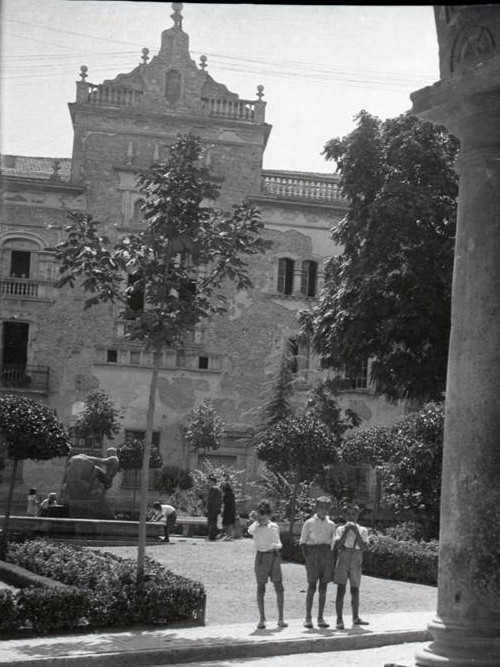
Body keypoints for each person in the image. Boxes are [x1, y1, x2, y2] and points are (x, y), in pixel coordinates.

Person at [248, 499, 287, 630]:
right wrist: (256, 521)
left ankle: (281, 618)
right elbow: (249, 531)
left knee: (279, 587)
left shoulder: (274, 526)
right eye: (260, 513)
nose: (263, 516)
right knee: (261, 587)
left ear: (269, 514)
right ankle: (262, 618)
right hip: (261, 557)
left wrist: (275, 546)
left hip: (274, 556)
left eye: (265, 514)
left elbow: (279, 543)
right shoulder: (255, 527)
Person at [299, 496, 336, 629]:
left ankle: (320, 617)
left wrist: (331, 560)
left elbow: (333, 543)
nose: (324, 510)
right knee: (312, 586)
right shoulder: (309, 523)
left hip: (326, 554)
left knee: (323, 587)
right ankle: (308, 618)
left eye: (326, 507)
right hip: (312, 553)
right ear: (316, 508)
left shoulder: (331, 524)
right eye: (321, 507)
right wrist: (308, 559)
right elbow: (303, 542)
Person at [332, 503, 370, 630]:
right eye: (348, 514)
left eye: (353, 514)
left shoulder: (363, 530)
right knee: (341, 589)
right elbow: (337, 545)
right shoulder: (340, 529)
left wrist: (356, 532)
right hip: (344, 557)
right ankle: (339, 619)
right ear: (344, 516)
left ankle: (355, 617)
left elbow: (364, 547)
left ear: (357, 515)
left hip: (356, 557)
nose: (351, 517)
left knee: (355, 589)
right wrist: (347, 530)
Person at [206, 475, 222, 541]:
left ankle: (211, 536)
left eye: (210, 481)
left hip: (212, 509)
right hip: (217, 509)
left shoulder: (213, 489)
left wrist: (207, 507)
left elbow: (210, 500)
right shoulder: (219, 489)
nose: (209, 483)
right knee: (214, 522)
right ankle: (214, 536)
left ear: (213, 482)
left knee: (211, 522)